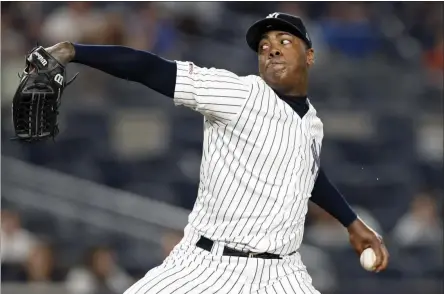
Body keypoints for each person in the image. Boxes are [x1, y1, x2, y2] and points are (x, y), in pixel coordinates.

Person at [41, 12, 389, 294]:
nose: (272, 49)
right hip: (206, 266)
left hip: (283, 274)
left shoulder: (312, 122)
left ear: (309, 56)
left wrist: (352, 222)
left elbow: (307, 174)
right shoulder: (238, 94)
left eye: (285, 41)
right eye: (265, 46)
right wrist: (74, 52)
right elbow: (150, 69)